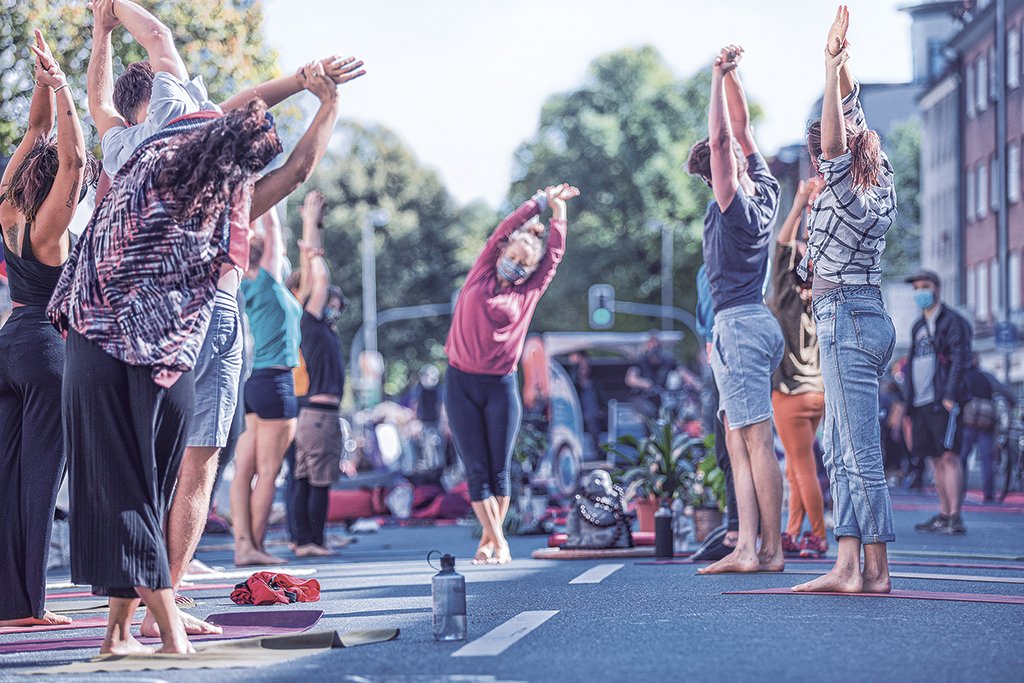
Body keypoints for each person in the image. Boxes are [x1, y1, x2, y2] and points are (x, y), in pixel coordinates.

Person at [85, 0, 365, 629]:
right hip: (211, 312)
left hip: (149, 315)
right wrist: (321, 97)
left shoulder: (124, 150)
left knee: (148, 457)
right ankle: (167, 605)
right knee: (200, 460)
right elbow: (292, 165)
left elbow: (103, 99)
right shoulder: (213, 157)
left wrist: (101, 30)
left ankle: (129, 617)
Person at [48, 97, 284, 654]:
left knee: (129, 485)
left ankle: (119, 633)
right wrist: (310, 91)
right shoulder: (181, 192)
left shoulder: (144, 158)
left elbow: (126, 90)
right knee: (138, 485)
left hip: (102, 336)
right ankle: (167, 626)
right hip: (146, 345)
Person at [791, 6, 898, 593]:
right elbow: (850, 124)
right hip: (861, 315)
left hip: (847, 319)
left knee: (858, 455)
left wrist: (828, 72)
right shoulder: (879, 183)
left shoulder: (851, 196)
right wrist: (841, 62)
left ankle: (874, 572)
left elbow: (835, 142)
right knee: (839, 448)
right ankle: (847, 564)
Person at [0, 31, 97, 628]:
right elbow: (75, 158)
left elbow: (36, 138)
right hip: (44, 348)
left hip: (7, 343)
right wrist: (61, 89)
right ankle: (29, 607)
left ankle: (9, 604)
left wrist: (41, 86)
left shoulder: (7, 209)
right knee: (40, 480)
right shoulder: (48, 229)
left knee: (7, 476)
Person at [687, 44, 784, 575]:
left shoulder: (736, 205)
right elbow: (741, 131)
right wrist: (734, 78)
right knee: (739, 441)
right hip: (749, 326)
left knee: (756, 441)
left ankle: (768, 550)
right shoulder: (765, 188)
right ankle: (747, 545)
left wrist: (716, 77)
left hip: (742, 326)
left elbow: (726, 137)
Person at [445, 183, 579, 565]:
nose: (516, 264)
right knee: (475, 469)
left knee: (499, 469)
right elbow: (505, 227)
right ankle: (498, 539)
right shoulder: (481, 273)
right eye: (513, 255)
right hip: (460, 382)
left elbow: (552, 255)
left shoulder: (528, 292)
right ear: (502, 251)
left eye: (524, 262)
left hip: (501, 386)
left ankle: (489, 541)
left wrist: (559, 214)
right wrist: (537, 203)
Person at [233, 207, 303, 566]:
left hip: (251, 382)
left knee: (245, 468)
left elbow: (263, 232)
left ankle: (243, 546)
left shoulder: (243, 283)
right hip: (275, 381)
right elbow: (273, 227)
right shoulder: (267, 281)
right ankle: (255, 547)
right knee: (269, 471)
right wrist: (265, 178)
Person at [770, 178, 828, 559]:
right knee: (795, 464)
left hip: (789, 394)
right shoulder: (820, 297)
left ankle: (819, 536)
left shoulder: (785, 296)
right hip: (817, 392)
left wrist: (797, 205)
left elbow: (782, 247)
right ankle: (792, 530)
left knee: (802, 467)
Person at [289, 190, 348, 557]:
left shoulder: (318, 327)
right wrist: (312, 226)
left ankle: (305, 540)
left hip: (314, 414)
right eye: (332, 303)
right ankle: (312, 541)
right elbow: (319, 275)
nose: (333, 308)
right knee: (316, 481)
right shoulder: (309, 322)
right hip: (318, 415)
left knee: (305, 479)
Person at [903, 269, 973, 533]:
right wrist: (908, 404)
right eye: (917, 287)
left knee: (948, 456)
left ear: (937, 288)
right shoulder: (918, 326)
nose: (921, 292)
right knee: (934, 458)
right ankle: (944, 513)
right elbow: (910, 366)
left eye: (925, 286)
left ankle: (955, 516)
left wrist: (950, 396)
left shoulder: (953, 322)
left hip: (942, 400)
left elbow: (960, 359)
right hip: (921, 402)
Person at [690, 264, 741, 562]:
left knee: (736, 451)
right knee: (731, 451)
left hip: (729, 347)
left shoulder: (718, 261)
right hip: (722, 351)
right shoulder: (709, 265)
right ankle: (742, 531)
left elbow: (707, 317)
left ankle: (740, 532)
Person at [960, 355, 1016, 502]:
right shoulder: (986, 376)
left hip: (968, 423)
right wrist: (1013, 405)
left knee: (961, 458)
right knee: (987, 460)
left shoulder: (962, 376)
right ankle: (989, 493)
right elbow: (1006, 393)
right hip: (986, 423)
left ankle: (959, 490)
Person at [625, 333, 674, 419]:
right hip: (641, 397)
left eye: (657, 345)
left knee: (672, 411)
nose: (655, 348)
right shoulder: (640, 361)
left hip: (660, 397)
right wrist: (643, 383)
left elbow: (683, 371)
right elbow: (630, 379)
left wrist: (696, 383)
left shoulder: (667, 361)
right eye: (652, 345)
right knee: (650, 412)